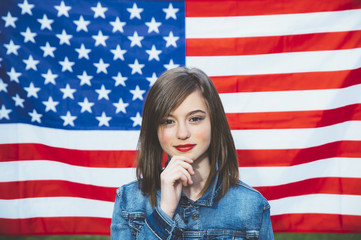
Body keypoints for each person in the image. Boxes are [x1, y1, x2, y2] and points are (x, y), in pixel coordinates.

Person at [111, 67, 274, 239]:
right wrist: (164, 213)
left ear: (214, 122)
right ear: (154, 130)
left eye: (195, 119)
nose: (182, 133)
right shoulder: (128, 202)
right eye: (168, 121)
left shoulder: (251, 205)